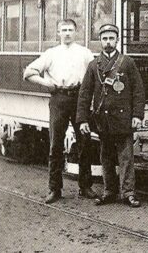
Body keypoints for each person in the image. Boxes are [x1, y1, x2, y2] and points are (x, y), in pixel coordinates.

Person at [23, 19, 97, 204]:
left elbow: (96, 75)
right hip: (59, 99)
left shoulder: (85, 53)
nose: (67, 33)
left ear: (76, 32)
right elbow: (28, 73)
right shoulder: (51, 53)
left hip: (80, 99)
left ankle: (85, 186)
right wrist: (46, 83)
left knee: (84, 142)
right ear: (58, 33)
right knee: (55, 144)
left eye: (70, 30)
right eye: (63, 30)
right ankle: (54, 189)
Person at [76, 23, 145, 208]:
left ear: (117, 40)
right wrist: (82, 119)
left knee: (126, 157)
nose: (108, 42)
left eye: (111, 38)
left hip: (123, 118)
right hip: (103, 120)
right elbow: (85, 94)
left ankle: (128, 193)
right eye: (104, 39)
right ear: (100, 41)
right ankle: (109, 191)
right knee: (105, 157)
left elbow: (138, 91)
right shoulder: (93, 65)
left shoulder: (127, 62)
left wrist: (137, 115)